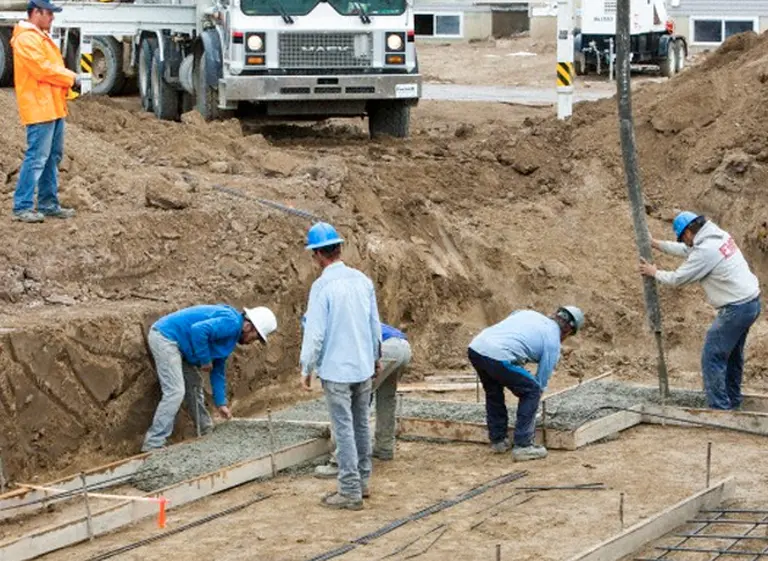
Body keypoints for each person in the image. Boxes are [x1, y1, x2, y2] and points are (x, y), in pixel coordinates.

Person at [640, 211, 761, 410]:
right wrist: (656, 244)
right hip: (750, 304)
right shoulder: (716, 235)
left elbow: (679, 278)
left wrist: (655, 273)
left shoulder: (705, 250)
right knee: (732, 356)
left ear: (688, 232)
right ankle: (733, 402)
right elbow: (687, 250)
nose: (684, 242)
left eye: (683, 238)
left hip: (736, 309)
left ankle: (719, 410)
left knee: (712, 356)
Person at [300, 222, 382, 510]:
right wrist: (375, 356)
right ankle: (362, 482)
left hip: (336, 369)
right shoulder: (362, 281)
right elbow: (374, 324)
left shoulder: (322, 287)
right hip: (362, 365)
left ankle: (349, 490)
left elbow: (315, 333)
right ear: (338, 248)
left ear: (318, 255)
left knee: (344, 427)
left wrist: (306, 367)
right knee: (361, 423)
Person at [141, 304, 278, 452]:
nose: (252, 341)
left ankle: (205, 429)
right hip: (166, 337)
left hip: (180, 346)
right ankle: (153, 443)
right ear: (247, 326)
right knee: (176, 391)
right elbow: (198, 330)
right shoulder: (231, 323)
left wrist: (221, 403)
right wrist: (205, 359)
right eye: (255, 337)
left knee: (194, 385)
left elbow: (218, 369)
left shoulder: (230, 337)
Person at [467, 306, 584, 461]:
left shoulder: (529, 314)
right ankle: (523, 445)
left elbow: (512, 325)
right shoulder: (553, 342)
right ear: (568, 330)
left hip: (476, 348)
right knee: (532, 391)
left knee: (493, 391)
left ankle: (498, 441)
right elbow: (540, 382)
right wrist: (532, 404)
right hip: (498, 355)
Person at [10, 0, 80, 223]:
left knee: (51, 157)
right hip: (39, 108)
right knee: (37, 157)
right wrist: (71, 78)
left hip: (51, 106)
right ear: (36, 13)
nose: (52, 17)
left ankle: (48, 204)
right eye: (49, 13)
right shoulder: (26, 39)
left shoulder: (39, 36)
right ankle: (22, 206)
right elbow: (42, 70)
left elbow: (50, 68)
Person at [313, 321, 411, 479]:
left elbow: (324, 348)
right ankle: (384, 447)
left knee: (353, 401)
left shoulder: (322, 323)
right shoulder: (348, 317)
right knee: (386, 398)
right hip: (403, 347)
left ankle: (340, 462)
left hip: (384, 349)